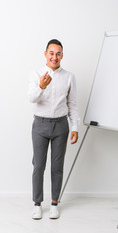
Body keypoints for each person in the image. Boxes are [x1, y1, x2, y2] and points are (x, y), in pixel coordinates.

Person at [28, 39, 80, 220]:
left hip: (60, 126)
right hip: (40, 125)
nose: (54, 57)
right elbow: (31, 98)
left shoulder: (69, 76)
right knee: (38, 166)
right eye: (51, 53)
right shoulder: (36, 74)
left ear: (62, 56)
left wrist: (75, 127)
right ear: (45, 54)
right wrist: (42, 86)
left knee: (57, 167)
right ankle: (37, 204)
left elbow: (72, 104)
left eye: (58, 54)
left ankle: (54, 204)